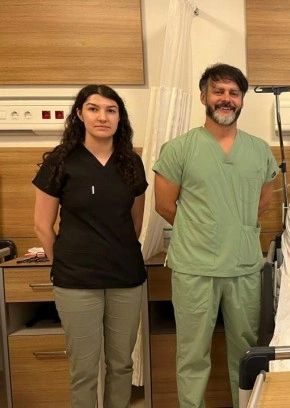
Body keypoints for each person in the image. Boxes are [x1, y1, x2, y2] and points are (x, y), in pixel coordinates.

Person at [153, 63, 278, 408]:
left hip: (243, 267)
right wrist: (203, 230)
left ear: (242, 100)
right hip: (194, 268)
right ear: (203, 96)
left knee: (246, 354)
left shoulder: (259, 151)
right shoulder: (179, 149)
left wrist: (232, 227)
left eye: (233, 93)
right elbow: (164, 205)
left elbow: (262, 204)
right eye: (218, 91)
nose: (226, 98)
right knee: (192, 355)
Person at [33, 84, 147, 408]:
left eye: (111, 110)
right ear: (80, 114)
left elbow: (135, 224)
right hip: (76, 282)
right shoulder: (61, 161)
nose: (102, 117)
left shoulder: (131, 162)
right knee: (83, 370)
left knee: (122, 365)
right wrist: (64, 263)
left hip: (125, 278)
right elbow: (42, 225)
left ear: (119, 118)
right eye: (94, 109)